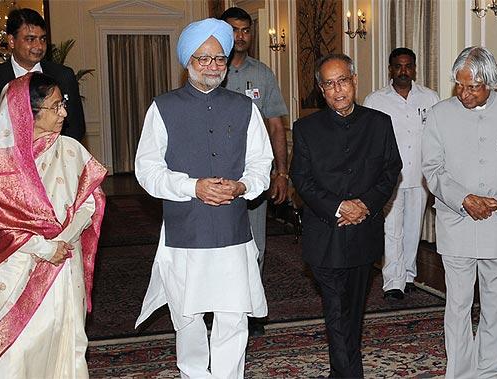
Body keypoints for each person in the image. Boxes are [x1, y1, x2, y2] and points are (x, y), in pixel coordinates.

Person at [134, 18, 273, 379]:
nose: (212, 66)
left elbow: (262, 163)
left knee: (232, 315)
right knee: (188, 317)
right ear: (188, 62)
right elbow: (147, 170)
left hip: (232, 232)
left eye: (219, 59)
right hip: (185, 235)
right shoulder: (162, 108)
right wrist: (191, 187)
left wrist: (242, 187)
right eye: (203, 59)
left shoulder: (245, 108)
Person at [0, 72, 106, 378]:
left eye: (64, 104)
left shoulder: (70, 150)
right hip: (16, 263)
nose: (64, 113)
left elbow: (91, 201)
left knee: (64, 334)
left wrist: (63, 240)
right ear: (27, 112)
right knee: (19, 348)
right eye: (56, 106)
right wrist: (42, 247)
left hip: (63, 258)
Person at [422, 46, 497, 379]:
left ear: (491, 82)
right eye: (459, 85)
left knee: (495, 304)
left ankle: (489, 372)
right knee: (457, 306)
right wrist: (464, 199)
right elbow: (432, 168)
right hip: (456, 222)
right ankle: (460, 373)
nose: (463, 94)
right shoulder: (439, 114)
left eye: (472, 87)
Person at [290, 54, 402, 378]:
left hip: (364, 232)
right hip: (325, 234)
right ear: (320, 89)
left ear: (354, 80)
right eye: (329, 83)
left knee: (353, 312)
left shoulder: (379, 123)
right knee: (336, 310)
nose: (337, 89)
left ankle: (341, 371)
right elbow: (302, 178)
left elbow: (391, 169)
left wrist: (364, 205)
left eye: (342, 81)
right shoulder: (306, 128)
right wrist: (339, 207)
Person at [0, 8, 86, 211]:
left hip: (55, 178)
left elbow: (75, 128)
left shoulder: (63, 76)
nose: (38, 46)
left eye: (42, 39)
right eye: (30, 39)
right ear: (11, 41)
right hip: (7, 182)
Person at [220, 7, 289, 336]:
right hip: (215, 176)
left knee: (254, 245)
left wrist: (281, 172)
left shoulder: (262, 74)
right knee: (218, 243)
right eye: (234, 30)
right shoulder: (209, 70)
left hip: (254, 175)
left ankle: (250, 308)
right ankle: (218, 306)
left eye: (246, 30)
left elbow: (276, 126)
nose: (241, 36)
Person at [364, 47, 440, 300]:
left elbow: (437, 136)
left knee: (413, 229)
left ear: (414, 68)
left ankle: (408, 276)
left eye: (408, 66)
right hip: (389, 178)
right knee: (392, 229)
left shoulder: (430, 98)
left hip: (420, 176)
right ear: (390, 69)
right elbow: (369, 141)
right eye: (398, 66)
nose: (403, 71)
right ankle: (392, 283)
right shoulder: (376, 100)